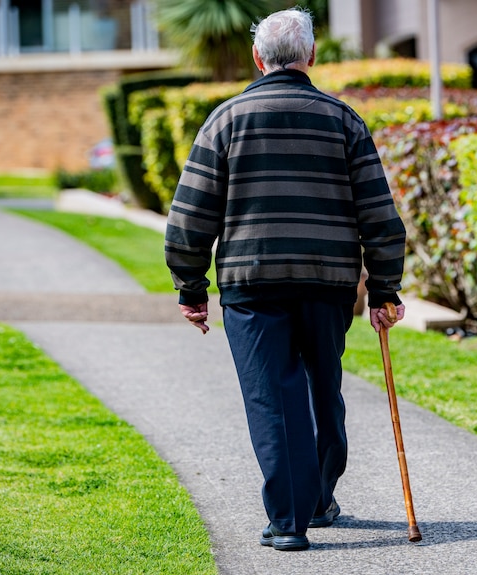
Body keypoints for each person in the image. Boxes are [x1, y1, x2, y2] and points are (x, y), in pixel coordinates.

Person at [165, 7, 406, 552]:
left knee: (273, 397)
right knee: (324, 387)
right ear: (312, 56)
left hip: (251, 283)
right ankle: (318, 497)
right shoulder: (343, 120)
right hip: (328, 282)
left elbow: (190, 215)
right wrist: (385, 289)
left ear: (258, 58)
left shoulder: (225, 120)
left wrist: (191, 287)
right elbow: (380, 215)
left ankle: (291, 519)